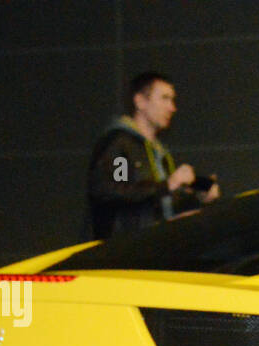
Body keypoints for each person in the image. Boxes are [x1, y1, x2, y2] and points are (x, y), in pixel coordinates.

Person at [87, 71, 221, 239]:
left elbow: (158, 204)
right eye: (164, 98)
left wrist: (197, 196)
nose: (172, 107)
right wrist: (168, 185)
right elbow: (113, 190)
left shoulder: (159, 152)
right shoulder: (121, 145)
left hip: (152, 246)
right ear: (140, 101)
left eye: (172, 100)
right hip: (126, 251)